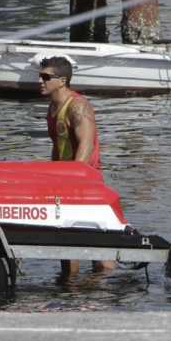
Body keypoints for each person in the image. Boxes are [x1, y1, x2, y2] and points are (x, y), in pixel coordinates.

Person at [38, 56, 113, 279]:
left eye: (45, 77)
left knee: (96, 245)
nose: (40, 81)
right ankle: (70, 286)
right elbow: (57, 147)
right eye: (40, 76)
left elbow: (86, 145)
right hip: (64, 183)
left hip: (86, 183)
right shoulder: (52, 108)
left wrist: (74, 179)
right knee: (65, 238)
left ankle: (104, 287)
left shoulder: (78, 106)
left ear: (62, 80)